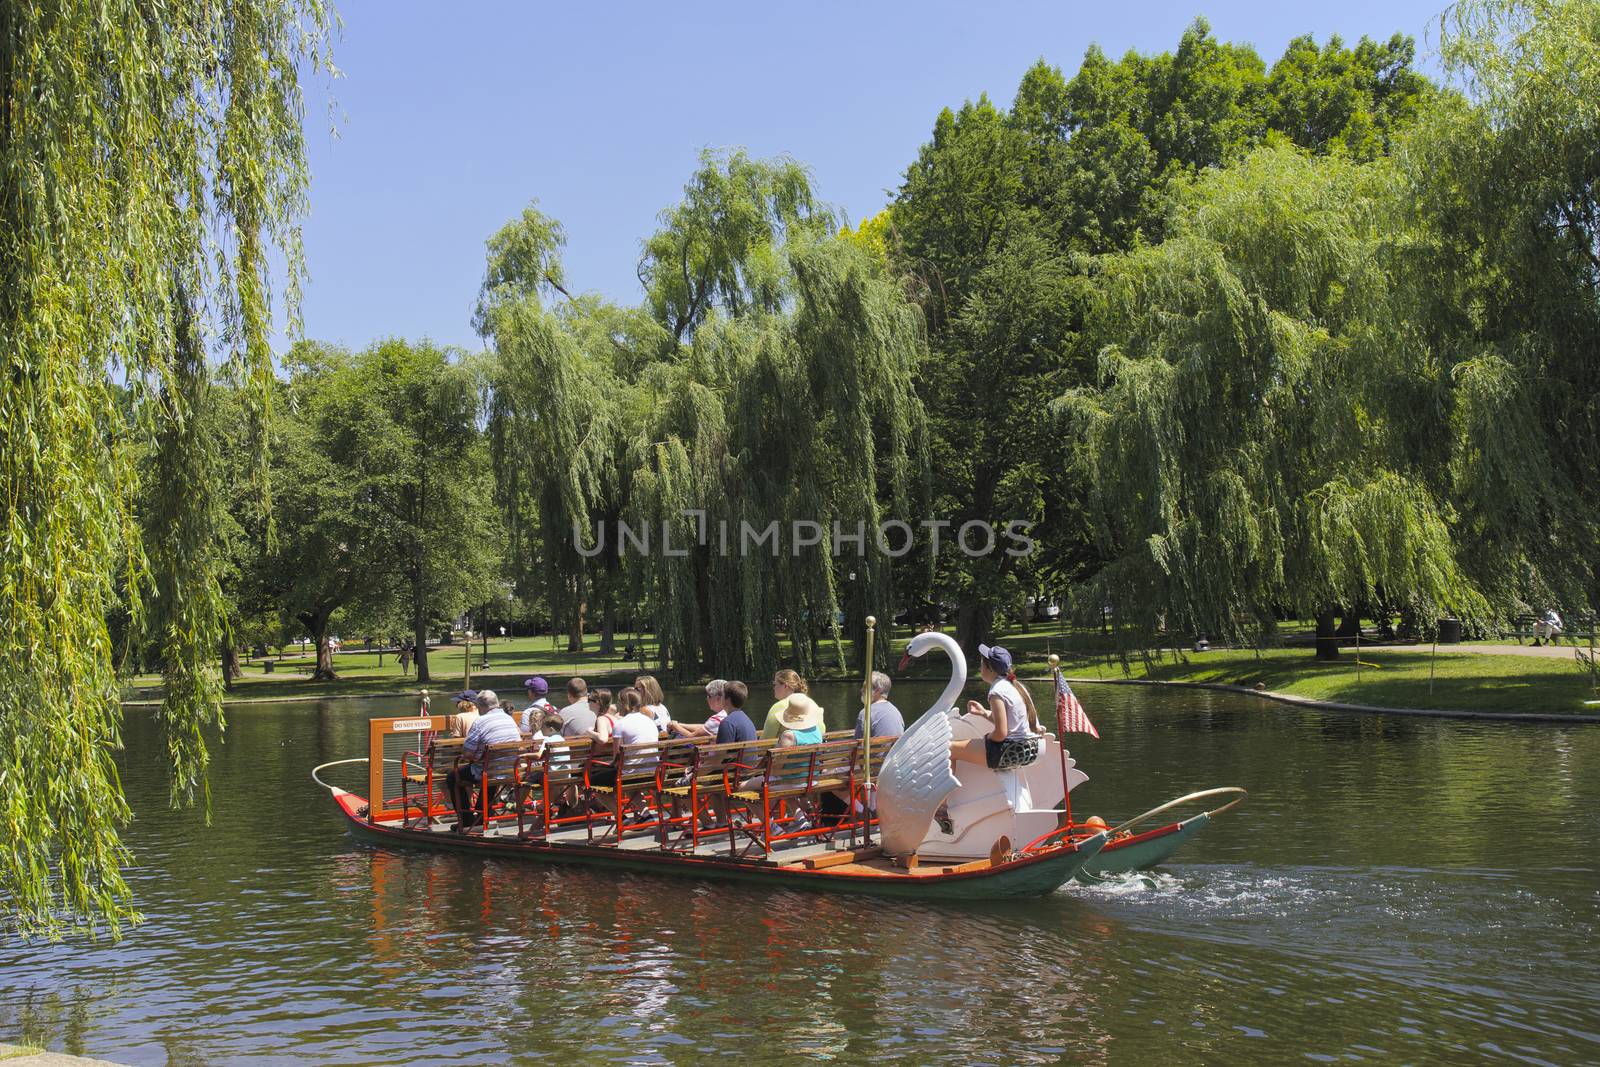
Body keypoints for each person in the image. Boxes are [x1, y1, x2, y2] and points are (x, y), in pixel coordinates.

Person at [950, 644, 1041, 772]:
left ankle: (947, 793)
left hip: (1012, 751)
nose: (979, 667)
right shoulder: (1017, 686)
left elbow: (1000, 734)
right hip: (1032, 750)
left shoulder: (996, 691)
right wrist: (983, 713)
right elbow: (1012, 723)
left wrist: (987, 738)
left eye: (982, 664)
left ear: (991, 670)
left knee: (949, 749)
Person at [447, 689, 521, 831]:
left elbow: (467, 753)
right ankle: (481, 817)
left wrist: (473, 757)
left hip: (488, 770)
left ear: (480, 706)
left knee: (452, 777)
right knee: (490, 774)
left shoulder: (480, 722)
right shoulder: (509, 719)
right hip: (509, 769)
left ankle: (467, 820)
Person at [855, 671, 904, 739]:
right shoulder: (895, 711)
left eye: (865, 688)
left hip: (876, 749)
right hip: (896, 749)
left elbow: (858, 743)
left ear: (877, 691)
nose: (861, 690)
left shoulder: (866, 713)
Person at [761, 669, 809, 739]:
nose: (773, 688)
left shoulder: (778, 707)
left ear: (785, 686)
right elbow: (822, 728)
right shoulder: (810, 702)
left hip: (785, 748)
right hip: (810, 748)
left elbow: (765, 740)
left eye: (775, 684)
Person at [715, 680, 757, 745]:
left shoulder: (727, 723)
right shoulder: (747, 719)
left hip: (739, 755)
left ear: (728, 699)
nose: (719, 698)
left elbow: (720, 754)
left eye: (722, 695)